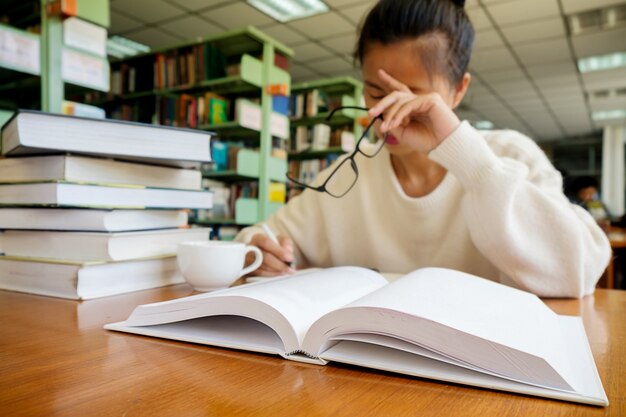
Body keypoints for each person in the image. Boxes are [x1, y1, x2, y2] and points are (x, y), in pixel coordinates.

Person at [235, 0, 611, 298]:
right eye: (375, 93)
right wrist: (258, 250)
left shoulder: (509, 156)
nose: (388, 117)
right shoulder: (348, 176)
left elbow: (578, 272)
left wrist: (466, 157)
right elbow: (258, 236)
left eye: (412, 97)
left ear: (459, 90)